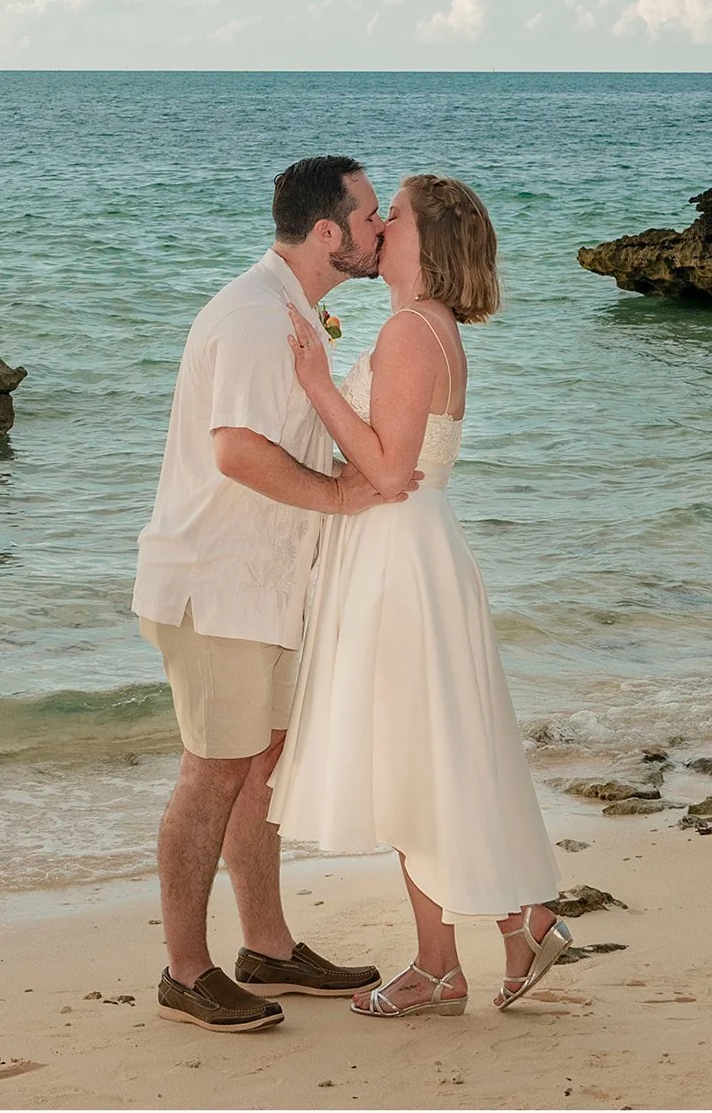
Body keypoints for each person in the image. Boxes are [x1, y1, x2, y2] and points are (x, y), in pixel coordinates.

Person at [269, 173, 570, 1018]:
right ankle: (497, 934)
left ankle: (455, 958)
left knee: (413, 759)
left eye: (392, 214)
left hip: (400, 560)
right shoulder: (425, 328)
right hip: (410, 552)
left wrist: (317, 382)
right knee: (429, 758)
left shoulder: (410, 332)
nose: (381, 223)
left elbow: (393, 470)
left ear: (422, 242)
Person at [132, 156, 399, 1034]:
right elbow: (238, 451)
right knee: (213, 771)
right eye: (368, 216)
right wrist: (334, 496)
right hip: (217, 585)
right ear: (328, 233)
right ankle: (185, 971)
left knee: (262, 763)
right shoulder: (252, 316)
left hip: (267, 587)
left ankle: (269, 948)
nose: (379, 230)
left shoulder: (291, 311)